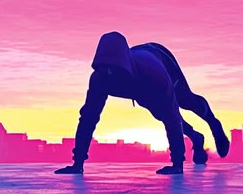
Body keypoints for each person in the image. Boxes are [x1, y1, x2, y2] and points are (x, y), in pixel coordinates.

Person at [54, 31, 230, 176]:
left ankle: (213, 123)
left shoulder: (153, 74)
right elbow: (88, 118)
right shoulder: (99, 79)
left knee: (183, 101)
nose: (109, 74)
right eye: (105, 69)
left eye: (113, 70)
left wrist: (177, 163)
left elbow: (173, 116)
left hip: (159, 59)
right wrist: (77, 163)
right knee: (160, 113)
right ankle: (196, 137)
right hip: (138, 81)